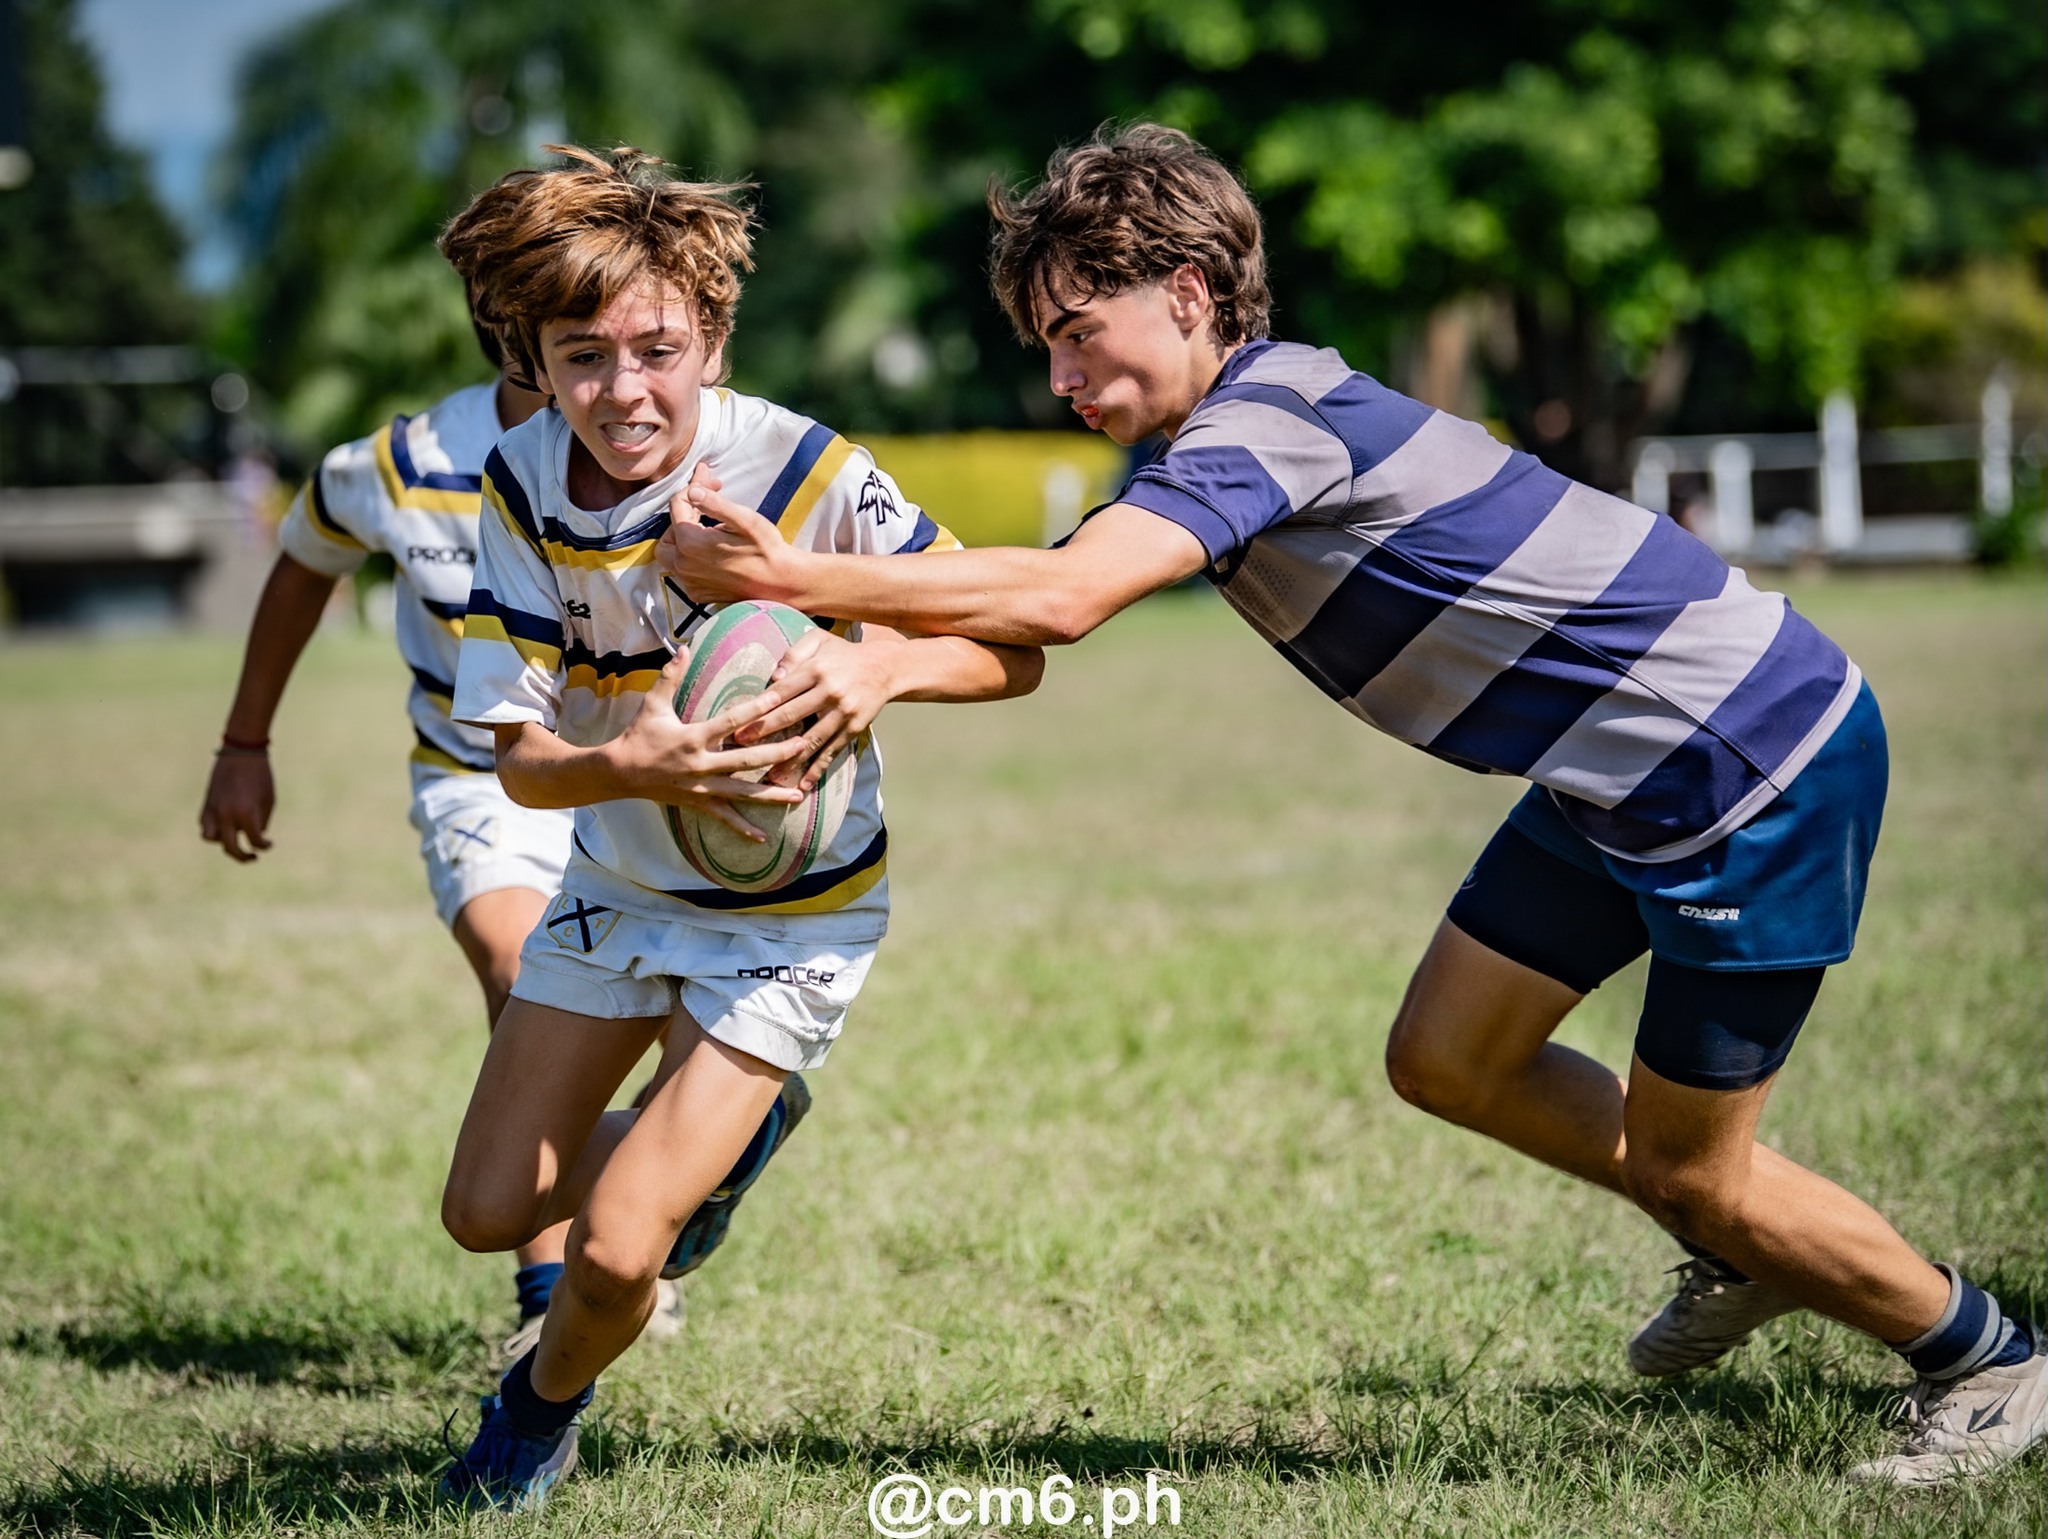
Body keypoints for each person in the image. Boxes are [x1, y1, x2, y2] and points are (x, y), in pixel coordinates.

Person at [663, 124, 2046, 1487]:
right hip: (1619, 767)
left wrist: (792, 580)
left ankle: (1986, 1356)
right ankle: (1755, 1238)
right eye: (1047, 344)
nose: (1061, 373)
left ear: (1191, 295)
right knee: (1450, 1053)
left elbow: (1065, 594)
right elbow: (1046, 585)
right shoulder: (1243, 422)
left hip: (1742, 758)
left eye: (1081, 330)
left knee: (1698, 1169)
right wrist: (873, 640)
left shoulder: (1268, 417)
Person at [431, 145, 1042, 1513]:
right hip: (618, 884)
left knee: (610, 1252)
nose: (622, 389)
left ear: (712, 338)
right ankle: (715, 1142)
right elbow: (521, 761)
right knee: (483, 1210)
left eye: (656, 348)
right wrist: (635, 760)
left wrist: (876, 663)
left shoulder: (803, 464)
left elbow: (1014, 649)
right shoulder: (525, 477)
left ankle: (534, 1414)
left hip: (793, 913)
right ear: (528, 355)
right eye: (580, 355)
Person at [197, 331, 709, 1357]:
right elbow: (303, 560)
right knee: (524, 969)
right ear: (494, 313)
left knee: (680, 1014)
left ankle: (683, 1181)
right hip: (483, 777)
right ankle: (550, 1284)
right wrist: (244, 740)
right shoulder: (405, 461)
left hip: (642, 774)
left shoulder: (675, 436)